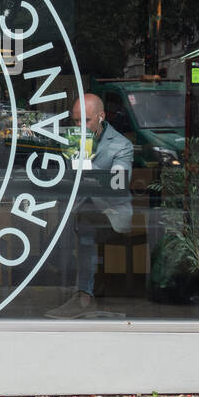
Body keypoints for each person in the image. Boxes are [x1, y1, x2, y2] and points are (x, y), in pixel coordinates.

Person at [46, 93, 134, 319]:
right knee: (64, 220)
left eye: (85, 121)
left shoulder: (122, 145)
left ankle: (84, 296)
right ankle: (77, 288)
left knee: (84, 222)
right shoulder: (72, 141)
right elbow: (65, 181)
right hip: (79, 210)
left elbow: (118, 182)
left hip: (111, 211)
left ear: (101, 117)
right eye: (76, 121)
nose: (80, 126)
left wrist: (85, 164)